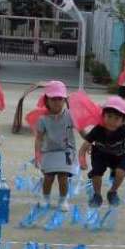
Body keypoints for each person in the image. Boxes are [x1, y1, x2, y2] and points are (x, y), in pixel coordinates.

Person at [34, 80, 77, 212]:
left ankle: (63, 199)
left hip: (66, 151)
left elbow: (81, 129)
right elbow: (39, 138)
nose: (57, 102)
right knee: (48, 177)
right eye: (53, 99)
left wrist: (90, 140)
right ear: (47, 100)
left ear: (64, 100)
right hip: (49, 151)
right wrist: (37, 154)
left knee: (63, 176)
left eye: (60, 99)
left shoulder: (70, 115)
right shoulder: (42, 119)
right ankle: (45, 197)